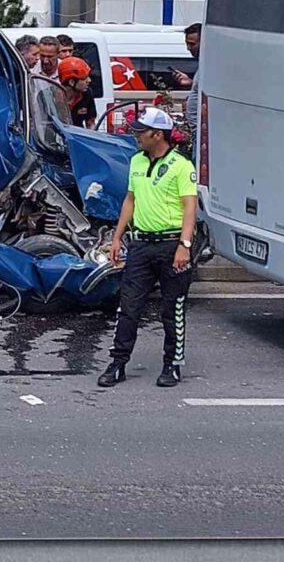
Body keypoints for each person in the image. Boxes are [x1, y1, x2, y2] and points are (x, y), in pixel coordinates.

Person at [98, 107, 198, 389]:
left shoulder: (181, 165)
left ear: (158, 134)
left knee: (172, 309)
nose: (136, 135)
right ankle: (118, 363)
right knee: (128, 307)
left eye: (141, 132)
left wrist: (184, 245)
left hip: (171, 244)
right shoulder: (137, 162)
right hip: (141, 244)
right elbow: (130, 200)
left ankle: (172, 365)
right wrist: (117, 237)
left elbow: (190, 207)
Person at [172, 23, 202, 142]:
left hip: (202, 134)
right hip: (196, 133)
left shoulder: (212, 65)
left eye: (192, 44)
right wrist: (190, 82)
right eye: (187, 44)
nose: (188, 48)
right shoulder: (202, 66)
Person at [58, 56, 97, 129]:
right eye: (84, 78)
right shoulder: (50, 96)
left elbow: (90, 122)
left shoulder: (87, 94)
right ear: (72, 82)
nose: (89, 80)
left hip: (78, 135)